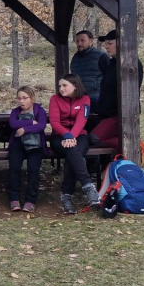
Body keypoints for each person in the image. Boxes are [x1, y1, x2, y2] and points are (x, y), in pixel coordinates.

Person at [48, 73, 100, 214]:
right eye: (60, 86)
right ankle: (88, 187)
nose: (61, 89)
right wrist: (66, 134)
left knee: (72, 153)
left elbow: (82, 120)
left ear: (75, 86)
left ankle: (66, 197)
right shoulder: (55, 99)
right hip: (59, 136)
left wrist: (72, 136)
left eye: (65, 85)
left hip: (80, 135)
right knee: (73, 151)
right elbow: (54, 122)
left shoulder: (85, 99)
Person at [90, 29, 144, 149]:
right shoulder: (112, 63)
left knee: (95, 137)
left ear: (121, 43)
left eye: (110, 44)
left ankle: (134, 147)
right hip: (106, 113)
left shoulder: (131, 63)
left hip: (120, 115)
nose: (106, 47)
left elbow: (130, 93)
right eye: (105, 44)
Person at [7, 86, 48, 213]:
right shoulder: (15, 112)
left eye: (25, 98)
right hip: (18, 143)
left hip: (35, 144)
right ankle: (14, 198)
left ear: (32, 98)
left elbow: (41, 125)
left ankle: (30, 200)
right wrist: (31, 123)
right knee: (14, 168)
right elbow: (13, 124)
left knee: (33, 169)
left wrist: (24, 129)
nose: (22, 101)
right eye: (19, 98)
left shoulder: (39, 110)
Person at [70, 30, 110, 102]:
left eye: (83, 40)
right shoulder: (75, 58)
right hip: (78, 99)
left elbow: (110, 78)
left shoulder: (101, 56)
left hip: (96, 99)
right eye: (77, 41)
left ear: (91, 41)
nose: (79, 43)